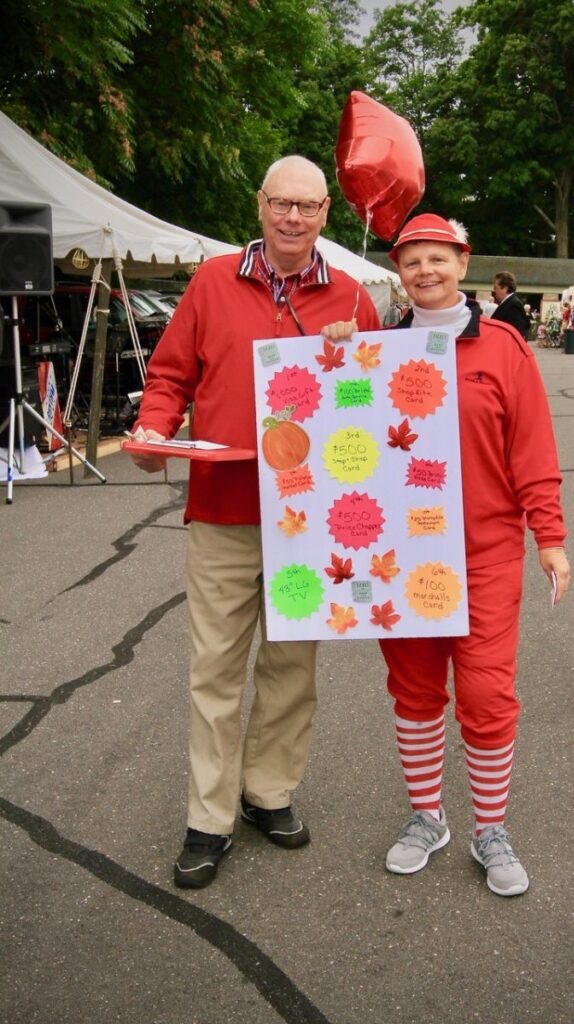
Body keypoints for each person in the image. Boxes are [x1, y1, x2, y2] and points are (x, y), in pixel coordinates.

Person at [130, 155, 381, 889]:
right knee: (214, 670)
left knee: (291, 666)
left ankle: (267, 791)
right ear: (261, 204)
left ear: (326, 213)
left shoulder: (352, 295)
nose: (293, 218)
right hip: (224, 509)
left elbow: (369, 403)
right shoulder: (212, 281)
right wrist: (152, 428)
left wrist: (355, 363)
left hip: (307, 520)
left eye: (308, 206)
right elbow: (170, 374)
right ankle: (208, 819)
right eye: (282, 203)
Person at [324, 214, 570, 897]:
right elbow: (340, 434)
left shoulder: (504, 347)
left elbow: (532, 449)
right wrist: (333, 353)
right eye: (411, 261)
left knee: (486, 693)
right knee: (415, 689)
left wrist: (549, 538)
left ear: (462, 262)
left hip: (484, 551)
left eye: (437, 257)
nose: (424, 270)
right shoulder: (376, 348)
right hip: (402, 555)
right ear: (398, 273)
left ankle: (490, 828)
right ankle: (427, 816)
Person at [490, 271, 530, 339]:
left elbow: (515, 334)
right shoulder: (508, 302)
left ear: (505, 288)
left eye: (496, 288)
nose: (494, 291)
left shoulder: (514, 305)